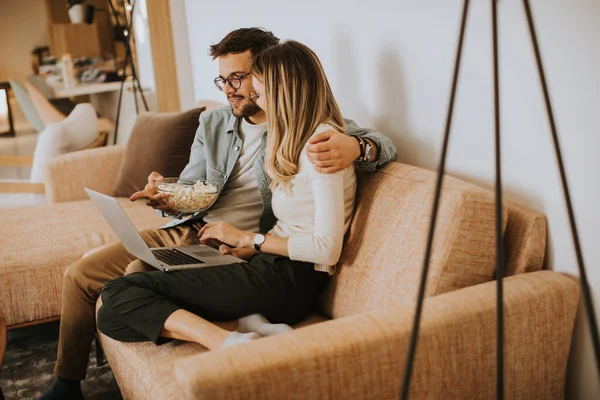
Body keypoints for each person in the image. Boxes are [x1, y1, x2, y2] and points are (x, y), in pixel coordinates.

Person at [39, 28, 397, 400]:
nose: (230, 89)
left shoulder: (302, 128)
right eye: (223, 80)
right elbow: (193, 185)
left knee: (133, 281)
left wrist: (357, 147)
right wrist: (167, 196)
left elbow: (377, 144)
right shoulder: (215, 123)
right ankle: (67, 384)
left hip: (243, 248)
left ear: (266, 75)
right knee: (84, 277)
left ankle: (232, 333)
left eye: (239, 79)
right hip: (194, 229)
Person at [97, 39, 356, 350]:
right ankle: (246, 324)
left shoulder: (322, 147)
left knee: (118, 293)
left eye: (259, 95)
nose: (257, 104)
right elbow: (295, 223)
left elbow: (326, 250)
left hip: (290, 281)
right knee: (110, 317)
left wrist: (250, 240)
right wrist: (250, 250)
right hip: (266, 266)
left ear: (282, 92)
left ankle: (226, 342)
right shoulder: (293, 141)